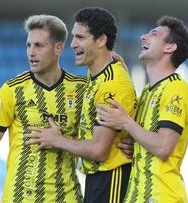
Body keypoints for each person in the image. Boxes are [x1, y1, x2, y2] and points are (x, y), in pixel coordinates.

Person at [0, 14, 87, 203]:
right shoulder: (12, 90)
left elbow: (98, 139)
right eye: (28, 45)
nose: (31, 52)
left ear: (58, 48)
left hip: (66, 197)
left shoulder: (81, 89)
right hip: (20, 197)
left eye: (39, 46)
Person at [25, 7, 138, 203]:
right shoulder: (97, 72)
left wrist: (56, 140)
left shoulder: (112, 84)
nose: (72, 44)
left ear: (101, 40)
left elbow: (99, 150)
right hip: (97, 178)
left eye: (80, 37)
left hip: (111, 178)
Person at [96, 15, 188, 203]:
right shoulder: (147, 93)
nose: (143, 37)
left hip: (161, 196)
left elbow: (163, 146)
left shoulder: (177, 89)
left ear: (169, 47)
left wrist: (126, 121)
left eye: (154, 34)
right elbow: (148, 138)